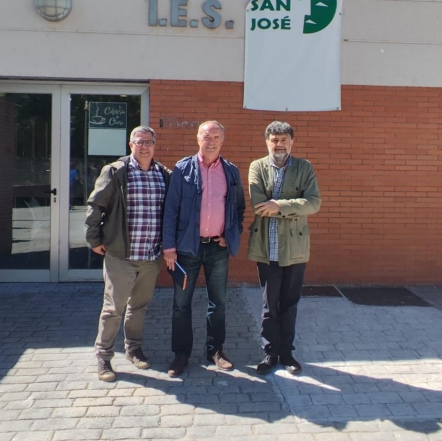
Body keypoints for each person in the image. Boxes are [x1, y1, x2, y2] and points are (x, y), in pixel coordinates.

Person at [85, 126, 171, 382]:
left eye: (149, 142)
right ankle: (103, 356)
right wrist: (94, 239)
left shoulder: (164, 174)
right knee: (113, 309)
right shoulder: (116, 172)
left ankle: (133, 348)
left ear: (155, 145)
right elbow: (95, 204)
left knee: (139, 307)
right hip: (121, 255)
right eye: (139, 142)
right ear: (130, 145)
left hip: (151, 255)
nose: (144, 146)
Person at [162, 120, 246, 377]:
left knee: (218, 303)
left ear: (223, 140)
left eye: (216, 136)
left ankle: (215, 350)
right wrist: (169, 248)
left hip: (217, 249)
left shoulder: (231, 171)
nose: (211, 141)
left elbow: (238, 209)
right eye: (206, 136)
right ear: (198, 139)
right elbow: (171, 210)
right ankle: (181, 354)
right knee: (181, 304)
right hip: (187, 249)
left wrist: (230, 236)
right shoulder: (182, 168)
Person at [247, 121, 321, 375]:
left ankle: (287, 353)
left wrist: (279, 206)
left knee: (290, 302)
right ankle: (270, 353)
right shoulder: (257, 167)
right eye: (274, 140)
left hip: (296, 248)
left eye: (283, 140)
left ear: (292, 142)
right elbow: (258, 204)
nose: (279, 145)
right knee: (270, 304)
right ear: (266, 141)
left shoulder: (304, 167)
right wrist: (292, 206)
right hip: (267, 248)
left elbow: (313, 203)